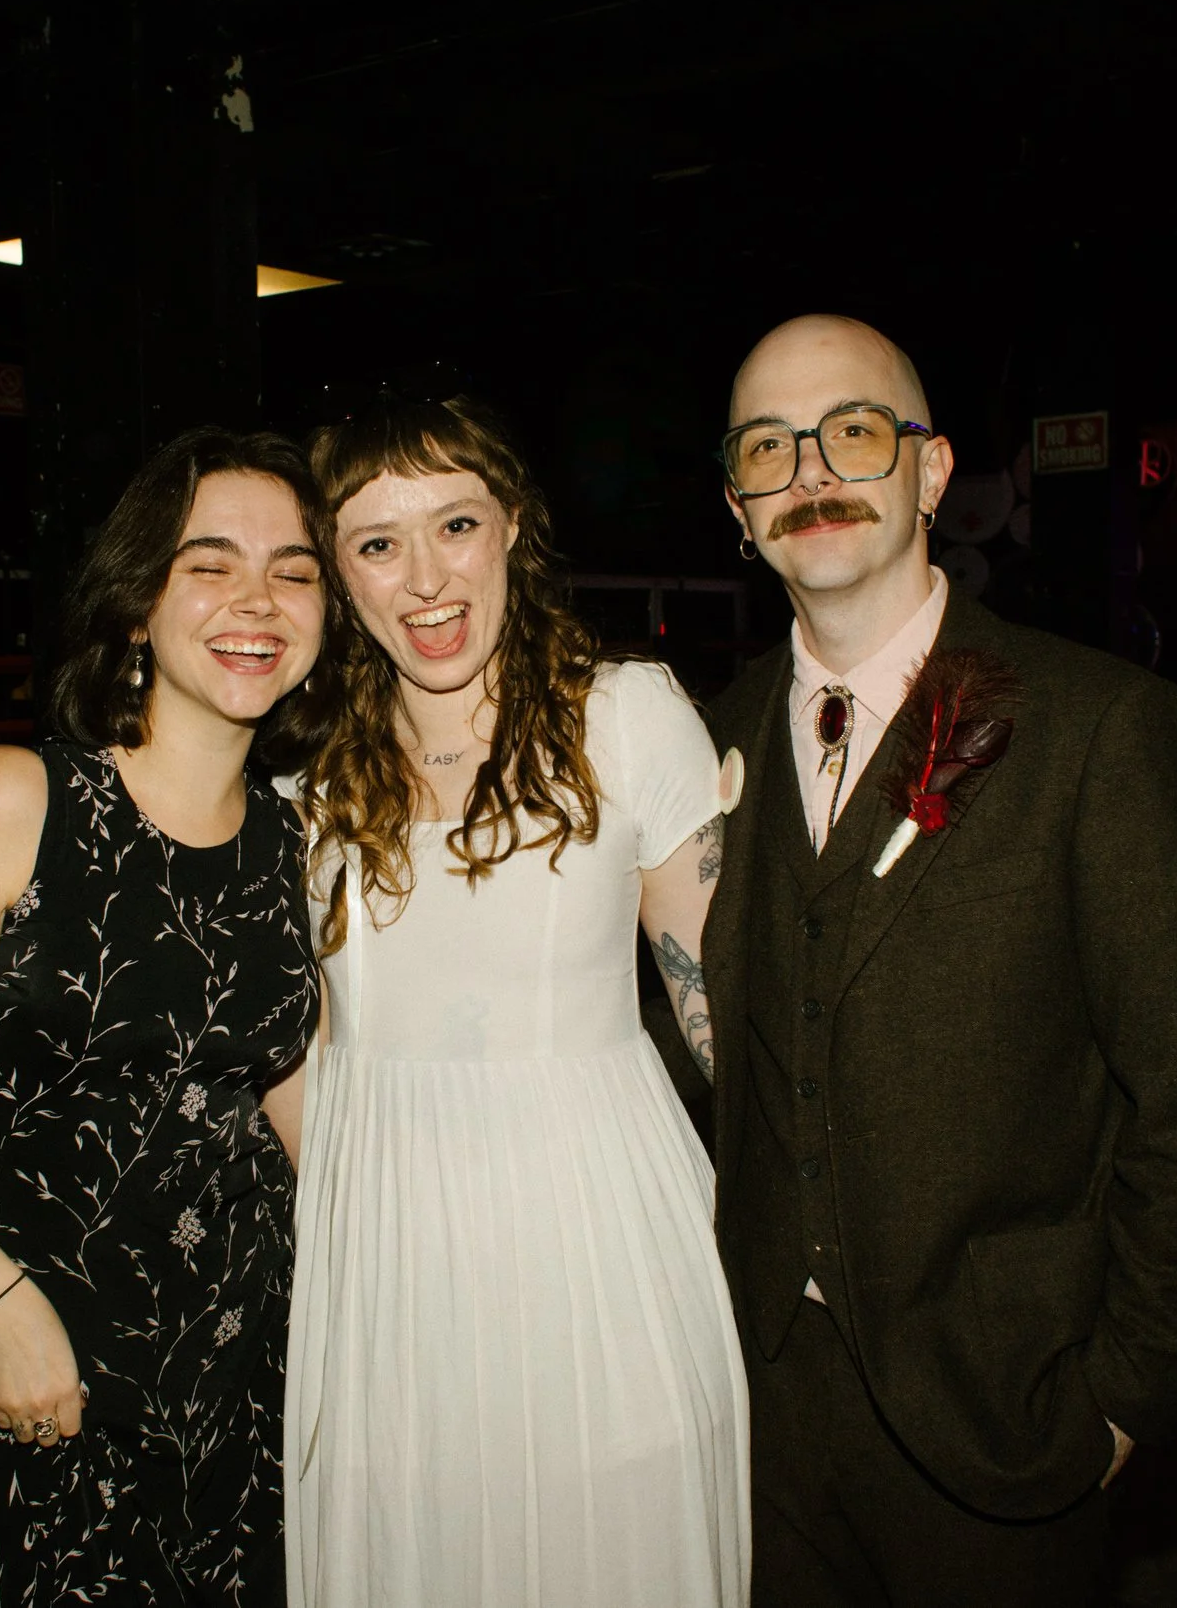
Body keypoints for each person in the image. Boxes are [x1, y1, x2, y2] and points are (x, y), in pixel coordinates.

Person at [700, 314, 1177, 1605]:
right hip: (758, 1417)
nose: (812, 474)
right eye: (768, 449)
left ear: (933, 469)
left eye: (852, 431)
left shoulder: (1104, 731)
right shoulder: (701, 742)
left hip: (1002, 1417)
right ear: (735, 504)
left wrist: (1121, 1396)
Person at [0, 427, 333, 1607]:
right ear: (137, 601)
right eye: (210, 562)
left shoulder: (295, 838)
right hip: (39, 1371)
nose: (258, 599)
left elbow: (301, 1107)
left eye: (294, 569)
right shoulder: (11, 801)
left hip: (251, 1373)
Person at [283, 394, 749, 1608]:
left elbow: (726, 1015)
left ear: (513, 530)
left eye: (455, 523)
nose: (425, 578)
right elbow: (301, 1043)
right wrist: (351, 1201)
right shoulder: (309, 771)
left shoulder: (626, 711)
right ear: (335, 572)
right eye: (377, 543)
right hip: (382, 1270)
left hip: (599, 1243)